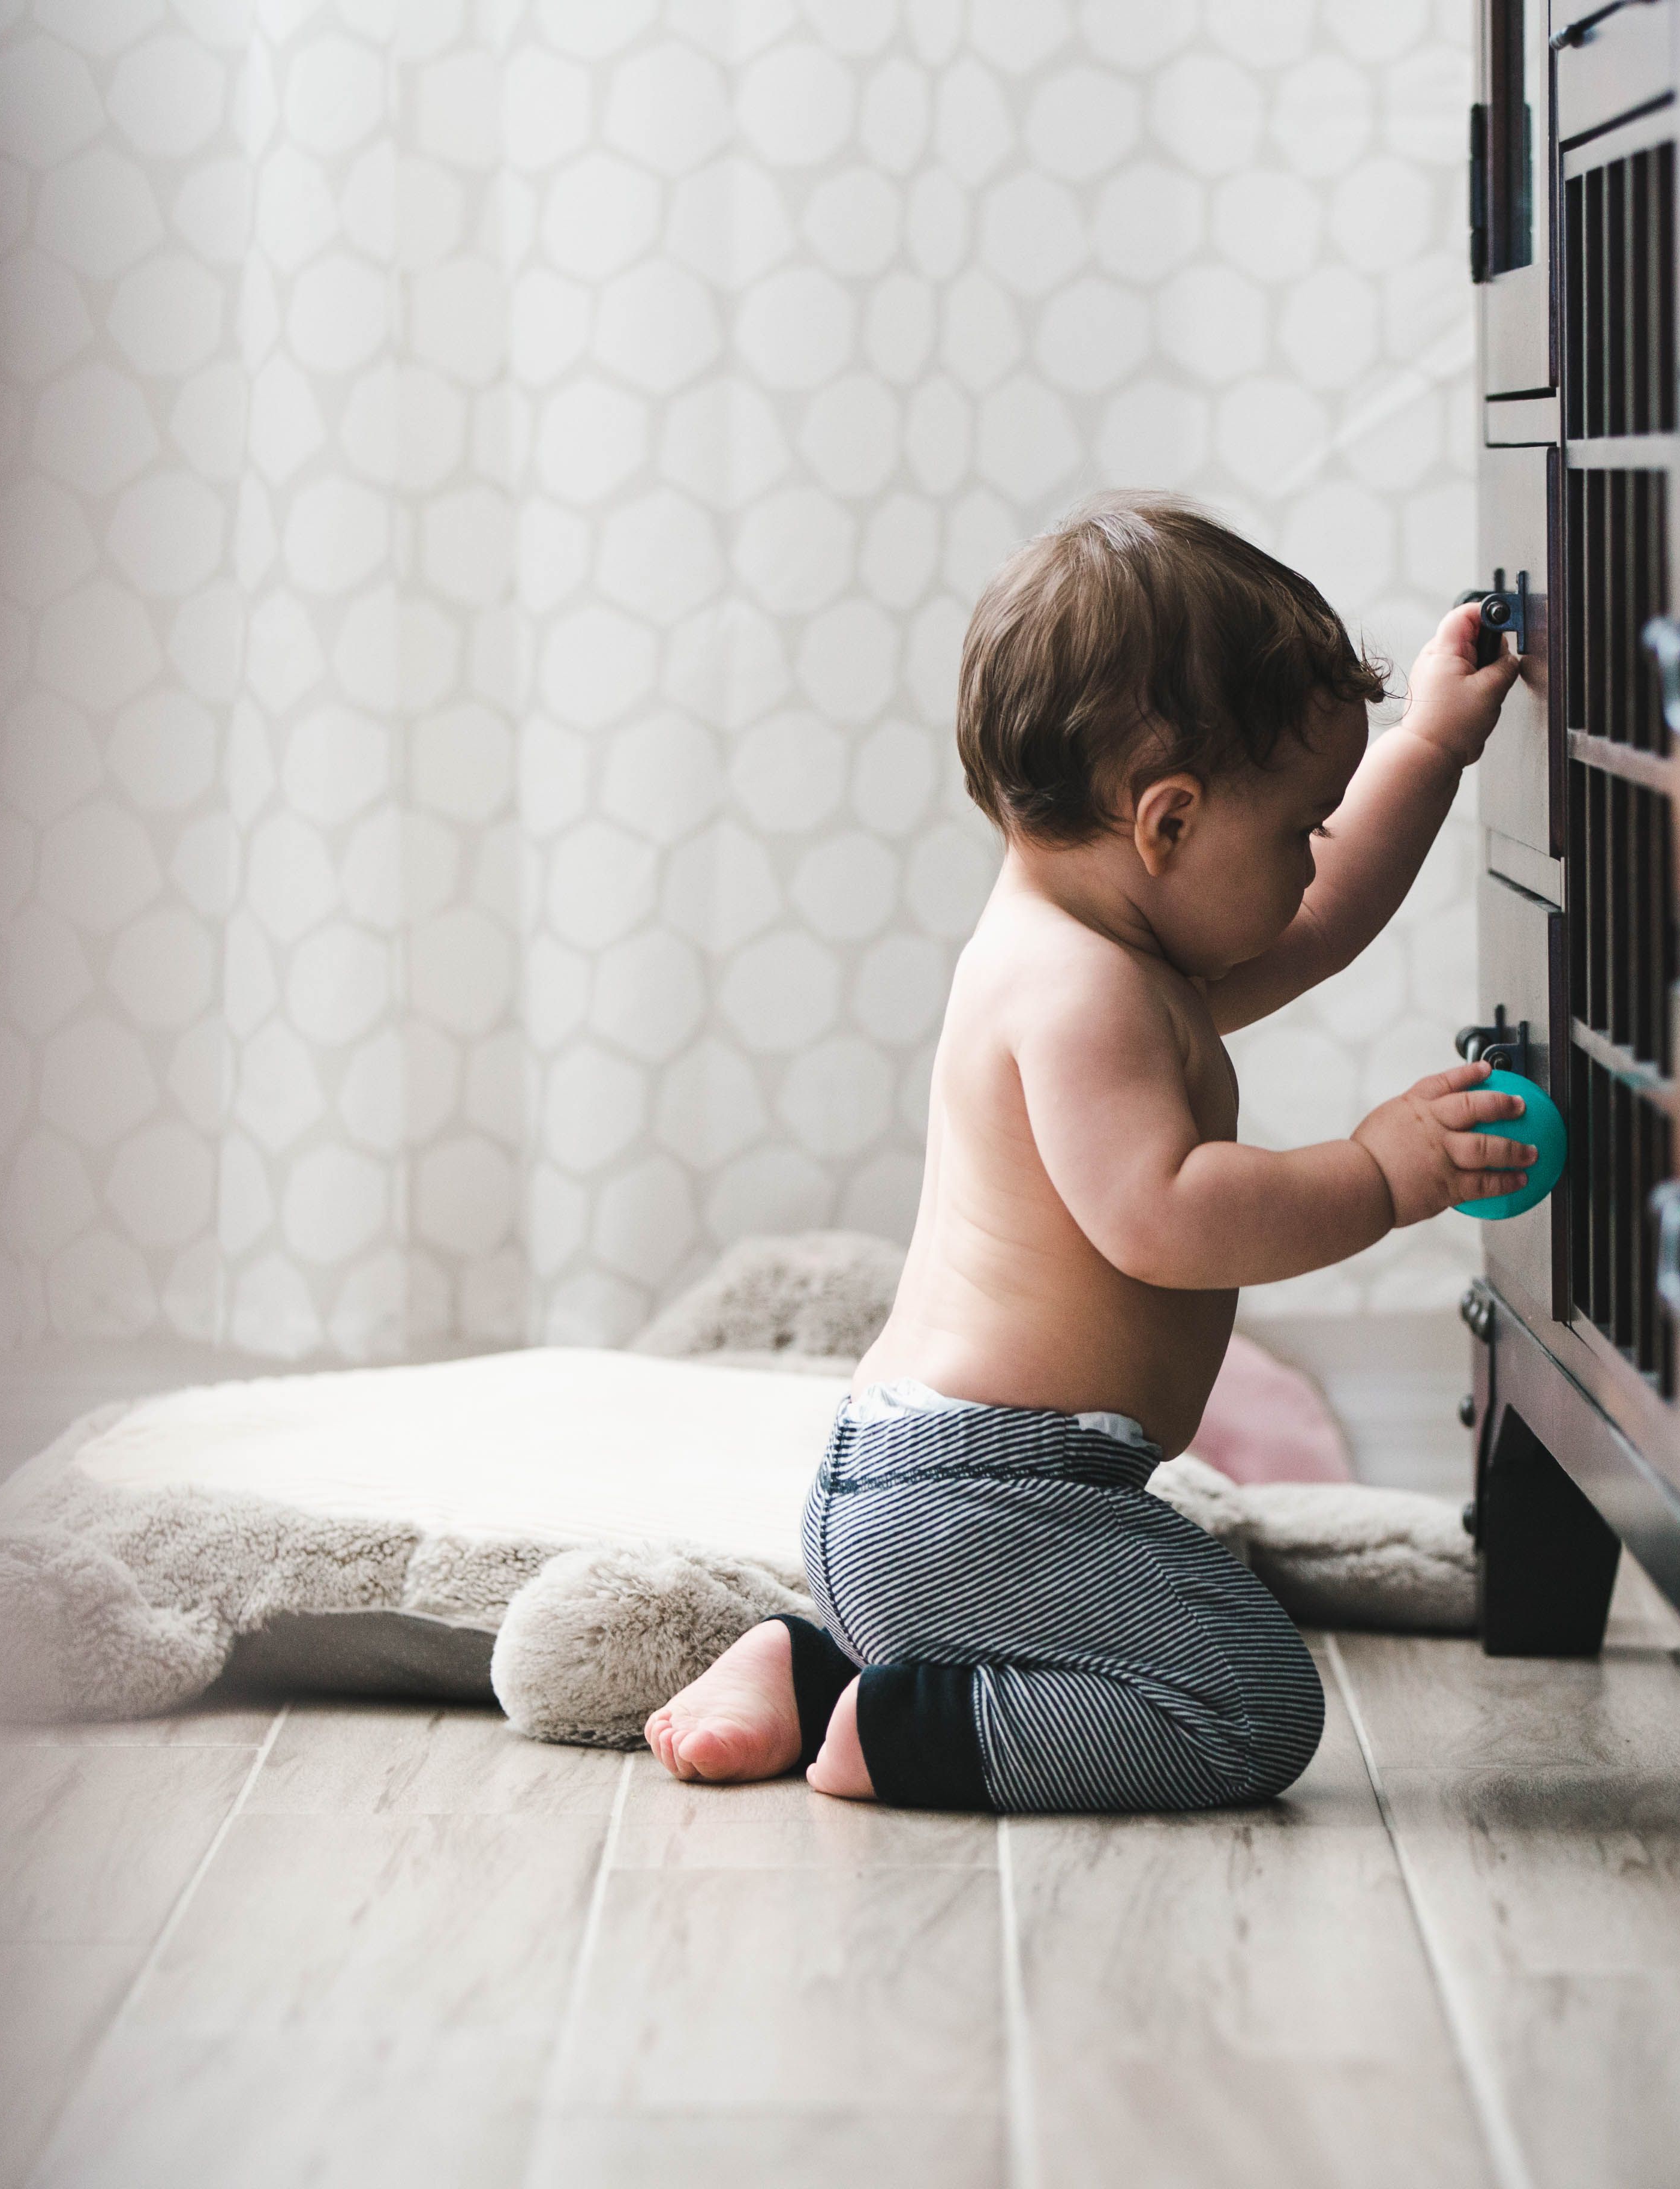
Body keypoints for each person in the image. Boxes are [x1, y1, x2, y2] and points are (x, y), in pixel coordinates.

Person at [646, 492, 1526, 1811]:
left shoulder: (1110, 944)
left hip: (934, 1504)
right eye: (1297, 827)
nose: (1309, 861)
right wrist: (1379, 1174)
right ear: (1168, 824)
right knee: (1252, 1704)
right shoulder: (1084, 993)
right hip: (980, 1498)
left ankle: (821, 1672)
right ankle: (903, 1731)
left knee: (1163, 1636)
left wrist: (1434, 747)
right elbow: (1161, 1215)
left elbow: (1324, 915)